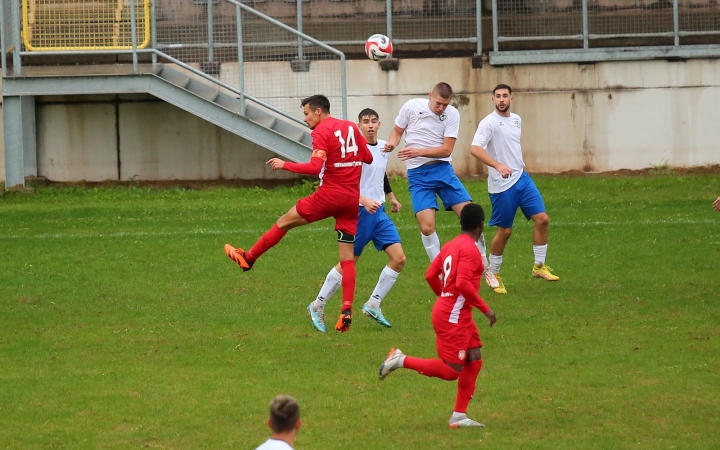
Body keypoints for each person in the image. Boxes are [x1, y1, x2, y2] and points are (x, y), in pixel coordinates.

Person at [224, 95, 373, 332]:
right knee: (347, 258)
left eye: (306, 113)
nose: (305, 119)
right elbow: (368, 157)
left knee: (284, 222)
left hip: (328, 197)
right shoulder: (351, 127)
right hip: (350, 202)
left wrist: (285, 165)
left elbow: (315, 168)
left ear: (318, 111)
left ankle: (248, 258)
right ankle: (346, 310)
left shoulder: (321, 132)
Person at [378, 203, 496, 428]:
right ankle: (400, 360)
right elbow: (462, 283)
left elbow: (431, 274)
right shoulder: (470, 250)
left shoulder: (452, 245)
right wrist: (485, 308)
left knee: (474, 358)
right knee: (452, 370)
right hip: (454, 316)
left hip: (453, 310)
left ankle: (459, 416)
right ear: (481, 225)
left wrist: (444, 296)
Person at [383, 82, 500, 291]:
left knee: (472, 217)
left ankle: (486, 267)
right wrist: (392, 143)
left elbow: (446, 150)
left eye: (445, 105)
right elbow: (397, 131)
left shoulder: (452, 114)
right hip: (418, 176)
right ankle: (443, 272)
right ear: (430, 96)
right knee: (427, 226)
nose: (441, 108)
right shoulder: (411, 107)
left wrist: (418, 151)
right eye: (438, 103)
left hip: (443, 171)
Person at [308, 108, 406, 332]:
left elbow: (379, 174)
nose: (370, 125)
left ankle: (373, 304)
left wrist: (391, 197)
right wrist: (363, 199)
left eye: (373, 121)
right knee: (347, 264)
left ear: (379, 124)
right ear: (358, 126)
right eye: (365, 122)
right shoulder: (352, 151)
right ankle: (317, 304)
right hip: (359, 212)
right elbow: (344, 183)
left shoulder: (383, 147)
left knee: (399, 259)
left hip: (379, 214)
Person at [469, 84, 559, 294]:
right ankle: (494, 273)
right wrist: (498, 165)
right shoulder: (488, 123)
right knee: (505, 231)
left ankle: (539, 267)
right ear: (493, 100)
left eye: (505, 96)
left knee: (542, 219)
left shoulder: (517, 120)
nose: (501, 99)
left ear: (512, 98)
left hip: (522, 178)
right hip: (502, 185)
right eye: (498, 96)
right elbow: (474, 148)